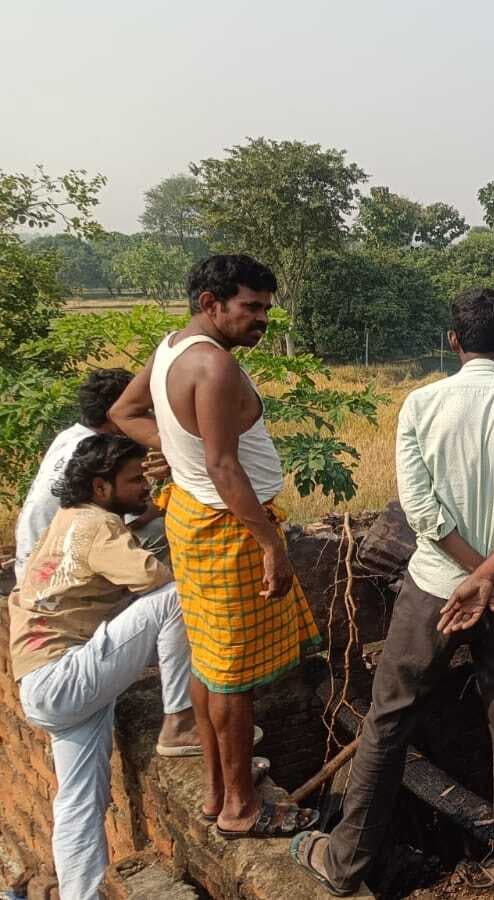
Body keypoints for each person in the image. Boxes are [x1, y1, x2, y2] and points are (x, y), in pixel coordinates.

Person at [290, 288, 494, 895]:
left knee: (388, 720)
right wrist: (493, 577)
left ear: (453, 342)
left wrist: (473, 578)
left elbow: (421, 510)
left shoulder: (420, 404)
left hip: (434, 591)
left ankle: (345, 864)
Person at [108, 254, 321, 838]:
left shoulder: (171, 348)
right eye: (251, 307)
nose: (263, 319)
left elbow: (124, 411)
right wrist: (270, 543)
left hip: (192, 518)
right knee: (233, 674)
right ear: (212, 304)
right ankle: (240, 809)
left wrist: (174, 453)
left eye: (267, 308)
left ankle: (216, 789)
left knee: (208, 658)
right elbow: (224, 466)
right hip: (227, 529)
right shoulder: (213, 366)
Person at [9, 435, 201, 900]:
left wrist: (150, 515)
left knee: (79, 802)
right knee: (175, 598)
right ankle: (180, 721)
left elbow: (115, 550)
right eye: (134, 480)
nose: (144, 488)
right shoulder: (98, 527)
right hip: (65, 675)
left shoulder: (71, 520)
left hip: (41, 685)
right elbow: (153, 579)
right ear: (100, 487)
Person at [13, 369, 167, 580]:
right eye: (140, 410)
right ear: (115, 413)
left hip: (31, 563)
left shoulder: (70, 437)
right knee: (161, 526)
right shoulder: (104, 453)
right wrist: (169, 499)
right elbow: (135, 519)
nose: (148, 417)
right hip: (56, 571)